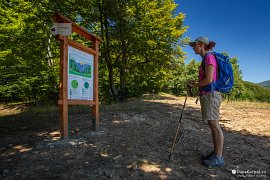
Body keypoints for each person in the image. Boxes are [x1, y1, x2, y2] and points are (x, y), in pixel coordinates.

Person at [188, 36, 224, 167]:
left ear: (202, 44)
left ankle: (219, 158)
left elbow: (209, 80)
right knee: (213, 125)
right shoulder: (205, 59)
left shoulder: (209, 57)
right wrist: (196, 84)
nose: (193, 48)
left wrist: (194, 85)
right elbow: (207, 79)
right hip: (208, 95)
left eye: (194, 45)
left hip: (211, 95)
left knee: (214, 125)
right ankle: (216, 153)